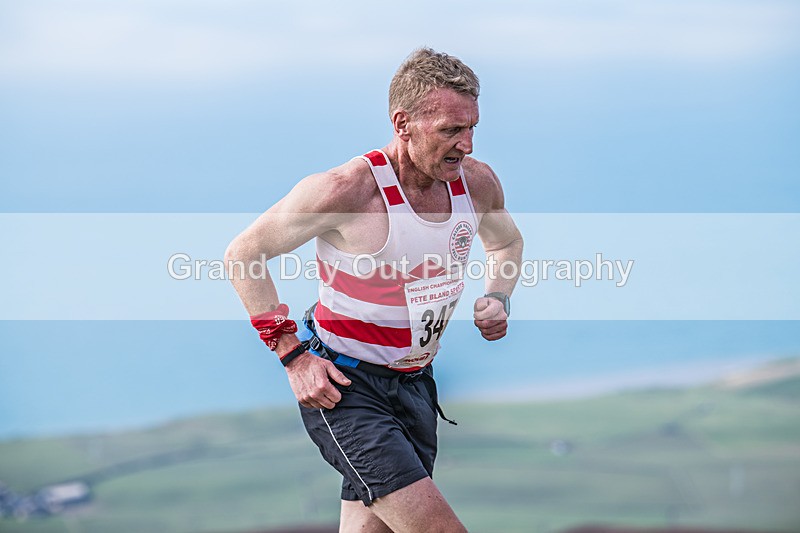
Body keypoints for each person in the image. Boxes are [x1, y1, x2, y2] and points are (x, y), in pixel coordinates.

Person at [225, 48, 523, 533]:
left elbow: (507, 242)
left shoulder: (477, 184)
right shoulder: (345, 191)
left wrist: (499, 295)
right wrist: (293, 357)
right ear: (403, 123)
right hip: (345, 389)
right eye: (451, 130)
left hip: (415, 386)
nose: (466, 144)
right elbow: (243, 254)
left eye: (471, 128)